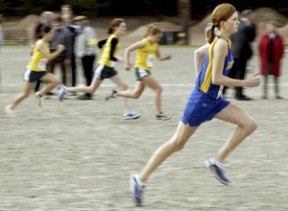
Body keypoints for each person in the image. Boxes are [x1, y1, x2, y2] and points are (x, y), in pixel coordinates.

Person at [129, 3, 260, 206]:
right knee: (177, 144)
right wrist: (245, 83)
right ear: (224, 23)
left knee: (249, 124)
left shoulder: (221, 40)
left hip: (212, 100)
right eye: (234, 19)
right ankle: (140, 179)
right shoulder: (221, 44)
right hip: (201, 102)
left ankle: (216, 161)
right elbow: (217, 78)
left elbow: (197, 55)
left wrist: (201, 80)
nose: (238, 22)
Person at [58, 18, 140, 120]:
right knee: (91, 90)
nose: (125, 28)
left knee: (123, 86)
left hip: (109, 68)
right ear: (115, 27)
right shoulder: (113, 39)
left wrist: (103, 53)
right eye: (122, 27)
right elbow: (110, 56)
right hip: (103, 68)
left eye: (125, 27)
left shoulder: (113, 38)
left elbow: (100, 44)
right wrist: (126, 62)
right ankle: (66, 89)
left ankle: (127, 112)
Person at [105, 25, 171, 120]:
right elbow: (127, 50)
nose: (159, 40)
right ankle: (159, 114)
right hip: (141, 70)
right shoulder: (143, 43)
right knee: (158, 89)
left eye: (160, 38)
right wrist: (127, 64)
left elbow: (159, 58)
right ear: (151, 34)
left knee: (135, 95)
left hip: (146, 70)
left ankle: (115, 93)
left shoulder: (155, 45)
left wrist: (165, 58)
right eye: (157, 37)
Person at [4, 26, 65, 116]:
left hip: (41, 71)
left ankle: (40, 95)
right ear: (45, 33)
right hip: (32, 71)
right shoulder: (40, 43)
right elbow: (49, 57)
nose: (52, 35)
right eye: (51, 33)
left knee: (56, 81)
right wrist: (59, 51)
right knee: (26, 94)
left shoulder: (46, 44)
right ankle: (9, 107)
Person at [223, 9, 256, 100]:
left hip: (233, 53)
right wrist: (249, 52)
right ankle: (238, 93)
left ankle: (223, 91)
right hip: (240, 54)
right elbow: (243, 42)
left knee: (231, 73)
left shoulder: (233, 26)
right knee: (240, 74)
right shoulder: (243, 26)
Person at [258, 21, 285, 99]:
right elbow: (260, 48)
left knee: (276, 78)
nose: (271, 28)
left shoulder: (279, 37)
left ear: (275, 28)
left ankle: (277, 94)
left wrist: (279, 57)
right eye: (269, 26)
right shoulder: (264, 36)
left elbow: (282, 49)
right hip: (266, 61)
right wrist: (262, 58)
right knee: (265, 78)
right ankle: (264, 93)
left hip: (275, 61)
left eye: (273, 26)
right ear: (267, 28)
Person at [73, 15, 97, 100]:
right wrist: (77, 53)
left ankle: (89, 93)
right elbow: (78, 44)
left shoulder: (89, 30)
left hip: (89, 56)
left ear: (84, 21)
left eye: (81, 21)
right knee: (85, 75)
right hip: (83, 56)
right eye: (77, 21)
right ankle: (88, 91)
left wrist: (89, 53)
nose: (79, 22)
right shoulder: (78, 31)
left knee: (88, 75)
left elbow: (92, 42)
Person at [47, 16, 72, 92]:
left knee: (64, 73)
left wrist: (68, 57)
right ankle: (48, 90)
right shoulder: (51, 32)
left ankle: (63, 89)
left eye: (58, 22)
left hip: (62, 54)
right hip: (52, 52)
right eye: (55, 22)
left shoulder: (66, 32)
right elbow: (48, 44)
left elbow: (69, 46)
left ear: (61, 23)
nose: (56, 24)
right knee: (50, 72)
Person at [33, 11, 55, 93]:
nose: (52, 19)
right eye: (51, 17)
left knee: (45, 69)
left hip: (46, 48)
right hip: (40, 50)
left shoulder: (49, 26)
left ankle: (46, 88)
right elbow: (35, 36)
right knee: (39, 69)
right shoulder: (40, 25)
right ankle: (37, 88)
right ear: (47, 18)